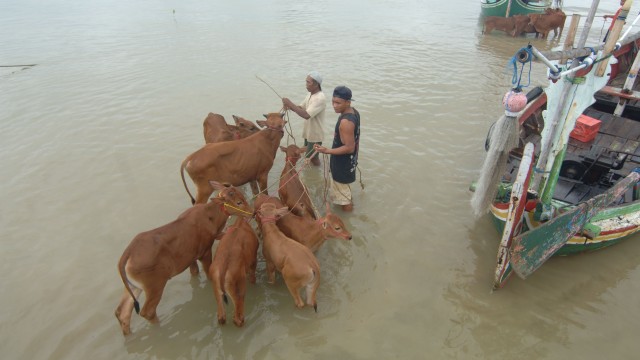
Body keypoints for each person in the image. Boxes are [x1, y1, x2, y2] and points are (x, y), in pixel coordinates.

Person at [313, 86, 360, 212]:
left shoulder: (346, 122)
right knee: (343, 191)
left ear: (348, 102)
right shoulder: (354, 112)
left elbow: (349, 148)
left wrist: (326, 150)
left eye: (338, 103)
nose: (334, 105)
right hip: (348, 162)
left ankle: (347, 220)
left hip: (342, 164)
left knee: (344, 198)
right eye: (333, 102)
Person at [282, 71, 326, 166]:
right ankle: (315, 169)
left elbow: (306, 115)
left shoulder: (320, 98)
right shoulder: (310, 94)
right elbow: (301, 108)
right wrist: (289, 106)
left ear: (316, 84)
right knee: (309, 154)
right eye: (306, 81)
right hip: (309, 132)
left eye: (308, 82)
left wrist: (290, 103)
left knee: (313, 157)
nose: (306, 84)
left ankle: (318, 171)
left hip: (315, 135)